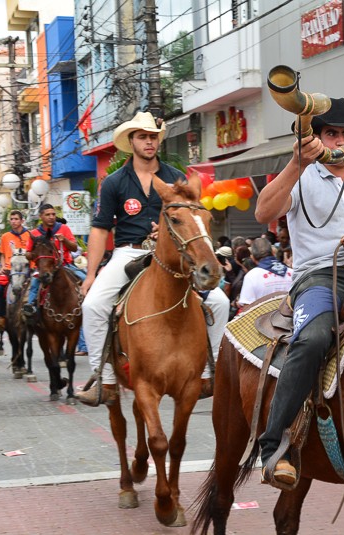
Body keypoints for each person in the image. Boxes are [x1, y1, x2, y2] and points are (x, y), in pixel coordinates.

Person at [254, 97, 344, 485]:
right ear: (317, 138)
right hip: (319, 277)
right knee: (314, 338)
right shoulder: (302, 177)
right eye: (331, 133)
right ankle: (275, 447)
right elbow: (263, 212)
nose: (341, 140)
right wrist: (297, 163)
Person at [76, 111, 230, 407]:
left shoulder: (175, 178)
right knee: (93, 305)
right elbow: (100, 229)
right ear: (131, 141)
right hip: (129, 252)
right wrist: (91, 274)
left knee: (220, 303)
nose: (149, 142)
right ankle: (105, 382)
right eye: (143, 137)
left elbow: (193, 217)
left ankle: (211, 373)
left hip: (172, 254)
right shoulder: (114, 182)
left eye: (153, 137)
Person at [22, 203, 86, 319]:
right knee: (35, 284)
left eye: (53, 214)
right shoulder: (35, 233)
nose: (51, 217)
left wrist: (64, 240)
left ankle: (88, 307)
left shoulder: (64, 228)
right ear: (41, 216)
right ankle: (31, 307)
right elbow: (28, 253)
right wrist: (30, 254)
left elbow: (74, 248)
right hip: (44, 268)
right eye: (48, 215)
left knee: (85, 278)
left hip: (65, 265)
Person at [237, 237, 293, 307]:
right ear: (273, 253)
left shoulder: (251, 276)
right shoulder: (292, 273)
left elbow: (247, 308)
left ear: (252, 257)